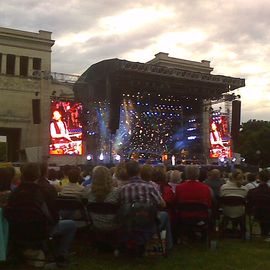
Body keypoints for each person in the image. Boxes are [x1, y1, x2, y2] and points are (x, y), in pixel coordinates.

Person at [4, 163, 77, 266]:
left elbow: (8, 213)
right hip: (41, 231)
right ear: (38, 175)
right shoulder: (45, 191)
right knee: (71, 224)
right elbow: (53, 217)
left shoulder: (14, 194)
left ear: (23, 175)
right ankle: (61, 254)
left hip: (18, 232)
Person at [119, 161, 173, 250]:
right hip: (149, 223)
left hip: (129, 224)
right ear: (139, 171)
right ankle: (168, 246)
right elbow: (162, 204)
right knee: (165, 215)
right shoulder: (150, 187)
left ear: (127, 172)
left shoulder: (122, 189)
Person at [87, 166, 119, 231]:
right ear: (109, 177)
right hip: (114, 227)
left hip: (96, 225)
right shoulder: (116, 192)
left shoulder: (89, 193)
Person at [247, 169, 270, 238]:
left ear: (259, 177)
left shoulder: (252, 192)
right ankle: (265, 233)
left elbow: (249, 204)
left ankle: (263, 233)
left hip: (256, 213)